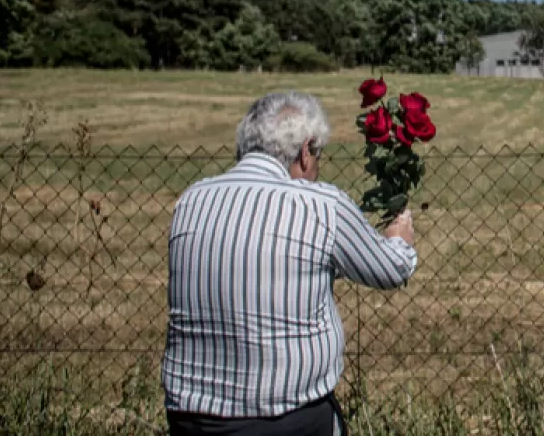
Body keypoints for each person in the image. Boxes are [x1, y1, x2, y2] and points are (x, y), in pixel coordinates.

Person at [161, 91, 416, 435]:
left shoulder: (192, 200)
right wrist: (399, 237)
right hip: (285, 418)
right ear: (306, 151)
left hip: (190, 417)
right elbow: (390, 269)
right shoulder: (320, 205)